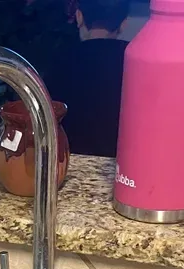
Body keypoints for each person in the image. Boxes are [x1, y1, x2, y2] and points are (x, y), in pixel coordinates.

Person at [40, 0, 129, 157]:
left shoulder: (58, 59)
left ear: (79, 17)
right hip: (124, 164)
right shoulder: (136, 62)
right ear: (124, 24)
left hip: (66, 159)